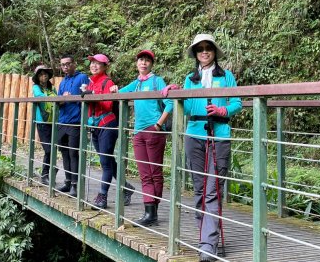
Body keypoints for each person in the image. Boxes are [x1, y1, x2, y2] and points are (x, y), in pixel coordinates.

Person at [178, 34, 241, 262]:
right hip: (194, 134)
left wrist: (223, 111)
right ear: (195, 53)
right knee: (199, 189)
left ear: (214, 51)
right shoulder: (190, 79)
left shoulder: (227, 77)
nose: (204, 52)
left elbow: (237, 103)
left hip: (220, 135)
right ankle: (206, 237)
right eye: (200, 49)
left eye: (208, 48)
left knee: (213, 190)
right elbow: (184, 108)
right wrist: (174, 92)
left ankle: (208, 244)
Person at [110, 50, 172, 226]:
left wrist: (158, 125)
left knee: (155, 172)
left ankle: (153, 210)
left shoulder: (156, 81)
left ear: (151, 64)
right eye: (141, 60)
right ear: (137, 63)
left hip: (154, 131)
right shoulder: (136, 83)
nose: (143, 63)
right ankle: (148, 212)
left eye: (147, 60)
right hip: (138, 133)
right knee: (145, 174)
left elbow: (170, 103)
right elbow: (119, 94)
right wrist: (113, 88)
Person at [84, 54, 135, 209]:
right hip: (95, 126)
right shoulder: (90, 83)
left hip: (107, 124)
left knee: (105, 163)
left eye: (98, 63)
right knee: (108, 161)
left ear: (105, 66)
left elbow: (107, 105)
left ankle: (102, 196)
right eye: (92, 63)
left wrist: (92, 96)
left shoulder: (108, 82)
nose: (94, 65)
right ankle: (126, 188)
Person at [56, 55, 90, 195]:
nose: (65, 66)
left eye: (68, 64)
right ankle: (68, 181)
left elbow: (87, 95)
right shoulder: (63, 82)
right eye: (63, 64)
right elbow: (58, 101)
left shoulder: (82, 77)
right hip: (62, 120)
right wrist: (62, 99)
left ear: (74, 64)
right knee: (64, 153)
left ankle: (76, 186)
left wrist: (72, 97)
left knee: (73, 153)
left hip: (76, 121)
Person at [31, 64, 57, 185]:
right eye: (41, 74)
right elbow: (39, 96)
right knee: (48, 149)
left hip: (54, 121)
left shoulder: (53, 88)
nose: (44, 76)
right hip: (42, 122)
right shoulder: (36, 87)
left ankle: (48, 172)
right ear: (37, 77)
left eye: (45, 73)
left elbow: (57, 99)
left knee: (53, 148)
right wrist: (52, 97)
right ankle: (46, 173)